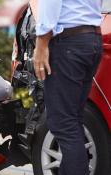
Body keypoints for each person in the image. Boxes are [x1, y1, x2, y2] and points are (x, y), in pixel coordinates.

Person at [33, 0, 103, 175]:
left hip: (69, 43)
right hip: (91, 39)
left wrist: (41, 43)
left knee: (63, 123)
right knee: (72, 121)